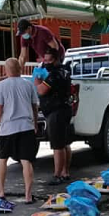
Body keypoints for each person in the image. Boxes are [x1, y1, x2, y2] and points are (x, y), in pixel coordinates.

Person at [0, 58, 39, 203]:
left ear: (6, 70)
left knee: (3, 159)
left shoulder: (1, 86)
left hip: (7, 128)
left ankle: (1, 190)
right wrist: (35, 123)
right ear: (20, 69)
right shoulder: (28, 84)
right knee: (26, 161)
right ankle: (28, 195)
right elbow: (34, 107)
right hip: (26, 127)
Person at [35, 47, 73, 185]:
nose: (45, 63)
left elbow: (41, 90)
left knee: (57, 145)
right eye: (44, 60)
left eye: (48, 60)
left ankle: (57, 175)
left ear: (55, 59)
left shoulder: (54, 75)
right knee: (64, 143)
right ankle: (65, 172)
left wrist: (37, 80)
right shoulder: (66, 70)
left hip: (56, 112)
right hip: (65, 109)